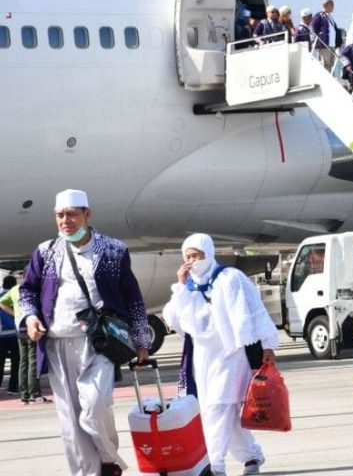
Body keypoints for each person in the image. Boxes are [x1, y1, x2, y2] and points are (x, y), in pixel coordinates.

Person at [19, 189, 151, 476]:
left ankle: (108, 460)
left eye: (72, 215)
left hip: (101, 342)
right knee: (70, 419)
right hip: (57, 342)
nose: (66, 221)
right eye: (60, 215)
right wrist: (30, 318)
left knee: (94, 406)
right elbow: (27, 292)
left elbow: (133, 298)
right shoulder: (46, 251)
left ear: (87, 215)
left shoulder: (113, 251)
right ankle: (89, 472)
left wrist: (141, 342)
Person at [162, 234, 278, 476]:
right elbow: (173, 318)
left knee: (218, 406)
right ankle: (252, 456)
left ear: (209, 254)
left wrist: (268, 345)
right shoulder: (188, 285)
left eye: (197, 256)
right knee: (222, 409)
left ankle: (214, 465)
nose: (193, 261)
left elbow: (255, 311)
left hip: (230, 353)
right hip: (203, 357)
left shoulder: (230, 278)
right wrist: (181, 286)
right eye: (188, 257)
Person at [0, 274, 45, 404]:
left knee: (23, 360)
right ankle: (34, 393)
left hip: (19, 327)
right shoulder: (32, 288)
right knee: (33, 359)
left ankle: (23, 393)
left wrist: (16, 314)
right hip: (31, 326)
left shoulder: (14, 290)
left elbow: (2, 303)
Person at [310, 0, 340, 69]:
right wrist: (319, 38)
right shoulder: (320, 15)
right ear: (327, 6)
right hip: (324, 44)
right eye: (332, 5)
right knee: (325, 63)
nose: (333, 7)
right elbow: (314, 26)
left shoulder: (330, 17)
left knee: (331, 64)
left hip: (332, 44)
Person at [0, 276, 17, 394]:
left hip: (1, 335)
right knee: (16, 363)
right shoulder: (14, 295)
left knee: (0, 363)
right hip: (15, 334)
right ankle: (12, 387)